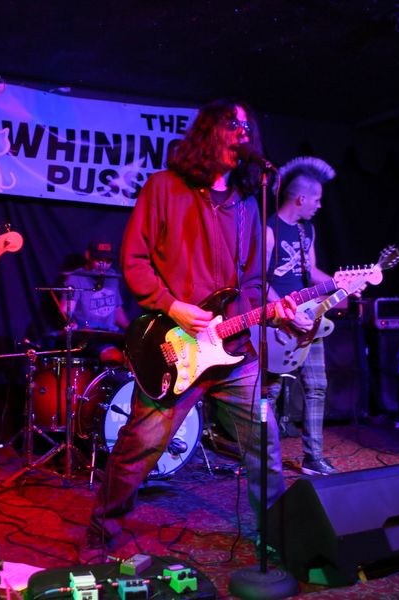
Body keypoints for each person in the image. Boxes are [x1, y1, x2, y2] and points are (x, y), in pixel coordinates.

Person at [83, 99, 299, 559]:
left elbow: (253, 282)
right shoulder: (164, 188)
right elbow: (134, 261)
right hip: (176, 346)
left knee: (265, 446)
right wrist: (172, 305)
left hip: (234, 349)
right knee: (141, 444)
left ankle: (278, 537)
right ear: (208, 132)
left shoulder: (248, 204)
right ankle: (102, 533)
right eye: (232, 123)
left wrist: (269, 310)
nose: (241, 132)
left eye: (247, 125)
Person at [263, 156, 339, 476]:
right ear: (301, 198)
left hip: (308, 317)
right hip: (277, 320)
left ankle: (313, 457)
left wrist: (342, 282)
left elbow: (311, 271)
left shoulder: (308, 229)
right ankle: (263, 457)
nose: (320, 206)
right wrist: (284, 311)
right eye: (317, 199)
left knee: (317, 385)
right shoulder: (269, 229)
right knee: (270, 391)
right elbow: (258, 280)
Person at [60, 239, 130, 365]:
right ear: (88, 256)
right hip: (87, 338)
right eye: (99, 260)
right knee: (115, 356)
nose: (103, 265)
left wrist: (132, 329)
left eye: (108, 261)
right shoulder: (76, 278)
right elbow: (66, 309)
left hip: (111, 335)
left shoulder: (112, 276)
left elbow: (116, 308)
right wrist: (70, 322)